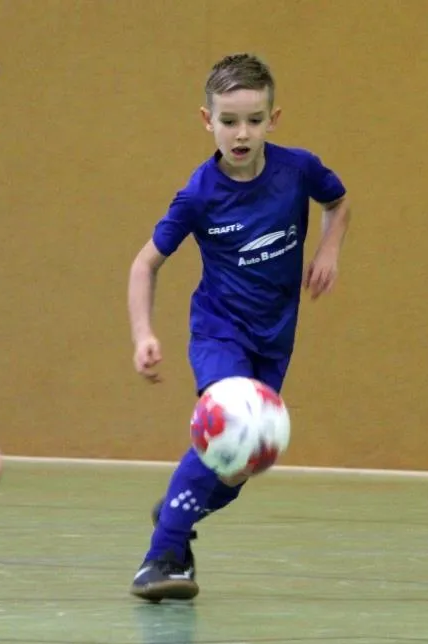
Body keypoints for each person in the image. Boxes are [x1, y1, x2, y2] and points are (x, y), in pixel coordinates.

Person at [126, 53, 352, 602]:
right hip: (220, 332)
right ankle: (161, 557)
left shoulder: (298, 169)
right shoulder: (199, 194)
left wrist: (328, 249)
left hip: (275, 339)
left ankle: (178, 509)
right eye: (229, 121)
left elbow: (338, 201)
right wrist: (143, 334)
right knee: (226, 433)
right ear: (208, 121)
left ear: (274, 119)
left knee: (237, 470)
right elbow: (144, 264)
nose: (242, 133)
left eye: (254, 120)